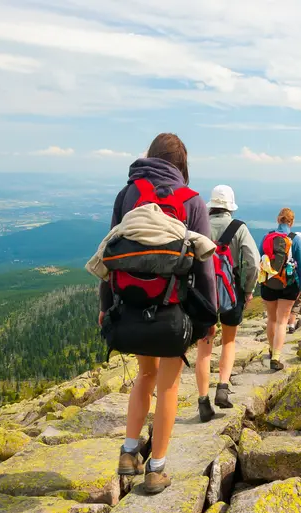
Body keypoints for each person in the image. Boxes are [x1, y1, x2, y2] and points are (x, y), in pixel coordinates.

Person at [98, 133, 216, 494]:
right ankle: (157, 469)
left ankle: (129, 451)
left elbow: (109, 250)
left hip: (131, 304)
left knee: (144, 376)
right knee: (168, 384)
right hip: (172, 311)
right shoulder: (192, 201)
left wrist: (106, 308)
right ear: (182, 165)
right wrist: (208, 317)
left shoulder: (128, 194)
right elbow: (205, 267)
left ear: (150, 157)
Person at [196, 185, 260, 422]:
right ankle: (222, 387)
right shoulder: (238, 228)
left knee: (205, 347)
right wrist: (248, 289)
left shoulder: (199, 225)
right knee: (229, 341)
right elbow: (253, 262)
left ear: (211, 205)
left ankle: (203, 401)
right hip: (231, 292)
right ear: (230, 206)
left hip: (203, 294)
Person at [258, 208, 301, 370]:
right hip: (289, 285)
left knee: (271, 319)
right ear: (291, 222)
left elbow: (260, 259)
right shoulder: (296, 239)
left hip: (269, 283)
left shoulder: (267, 237)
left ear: (278, 220)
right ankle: (277, 357)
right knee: (282, 321)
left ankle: (271, 350)